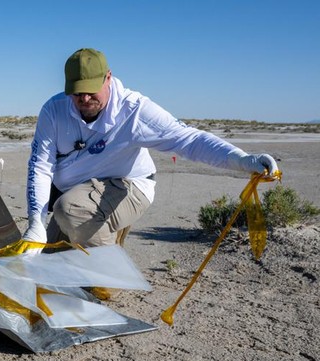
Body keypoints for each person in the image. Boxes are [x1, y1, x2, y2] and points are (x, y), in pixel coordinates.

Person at [24, 48, 279, 249]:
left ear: (108, 78)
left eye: (91, 90)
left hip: (128, 185)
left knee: (69, 211)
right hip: (78, 191)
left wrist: (242, 160)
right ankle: (98, 238)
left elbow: (189, 140)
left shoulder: (135, 111)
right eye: (77, 92)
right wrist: (36, 222)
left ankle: (109, 277)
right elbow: (41, 165)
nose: (84, 99)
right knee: (51, 256)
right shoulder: (53, 110)